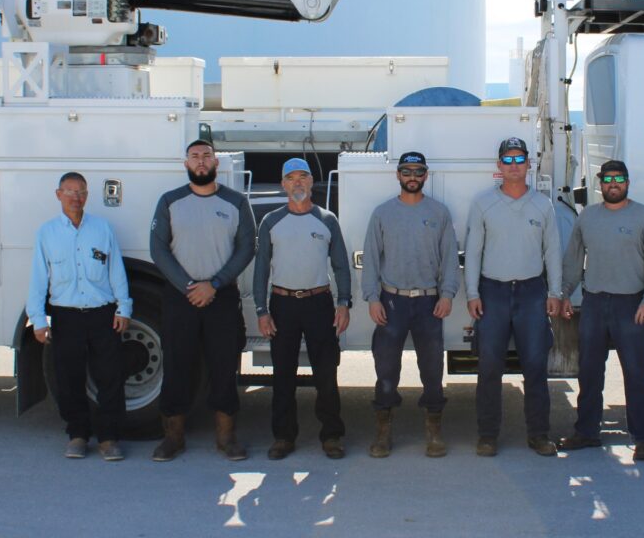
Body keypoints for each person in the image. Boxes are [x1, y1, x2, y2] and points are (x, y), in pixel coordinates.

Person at [149, 139, 256, 462]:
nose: (200, 161)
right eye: (194, 156)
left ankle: (226, 438)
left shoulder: (236, 202)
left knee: (224, 367)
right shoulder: (170, 201)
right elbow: (158, 249)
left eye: (206, 156)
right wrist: (188, 286)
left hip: (221, 298)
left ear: (216, 164)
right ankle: (173, 438)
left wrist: (215, 284)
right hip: (181, 298)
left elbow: (247, 248)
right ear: (186, 164)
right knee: (178, 365)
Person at [557, 160, 644, 461]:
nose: (613, 184)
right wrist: (566, 293)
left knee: (635, 373)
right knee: (589, 372)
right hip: (594, 303)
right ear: (600, 184)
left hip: (631, 305)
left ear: (628, 183)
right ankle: (587, 432)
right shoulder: (588, 217)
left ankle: (643, 438)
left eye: (619, 178)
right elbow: (573, 258)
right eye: (607, 179)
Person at [465, 136, 562, 457]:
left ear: (529, 165)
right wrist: (472, 293)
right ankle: (487, 435)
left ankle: (539, 434)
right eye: (507, 160)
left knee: (535, 366)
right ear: (499, 166)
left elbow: (553, 252)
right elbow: (474, 253)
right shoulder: (483, 203)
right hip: (492, 292)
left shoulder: (542, 204)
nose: (514, 166)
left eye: (519, 160)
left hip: (532, 293)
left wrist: (555, 292)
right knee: (489, 366)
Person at [27, 172, 132, 461]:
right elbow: (38, 278)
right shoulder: (47, 233)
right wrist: (37, 319)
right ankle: (77, 435)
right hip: (66, 316)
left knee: (110, 377)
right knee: (69, 379)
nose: (76, 197)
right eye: (70, 191)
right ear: (58, 194)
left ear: (88, 196)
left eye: (81, 192)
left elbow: (116, 271)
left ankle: (109, 438)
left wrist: (124, 307)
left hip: (103, 315)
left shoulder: (102, 229)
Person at [362, 152, 460, 458]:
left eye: (418, 171)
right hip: (391, 302)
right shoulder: (382, 213)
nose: (412, 176)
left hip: (429, 303)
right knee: (386, 369)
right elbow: (371, 259)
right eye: (407, 171)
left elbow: (449, 259)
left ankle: (433, 431)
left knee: (432, 370)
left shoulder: (439, 213)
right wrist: (372, 298)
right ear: (398, 175)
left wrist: (447, 294)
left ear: (426, 176)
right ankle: (383, 431)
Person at [254, 158, 352, 460]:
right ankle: (283, 436)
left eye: (303, 177)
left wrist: (343, 302)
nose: (297, 183)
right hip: (282, 304)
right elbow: (260, 270)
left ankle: (332, 435)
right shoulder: (271, 221)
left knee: (326, 373)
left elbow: (340, 265)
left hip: (319, 303)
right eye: (291, 178)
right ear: (283, 184)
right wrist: (261, 310)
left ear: (312, 183)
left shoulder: (327, 219)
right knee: (283, 373)